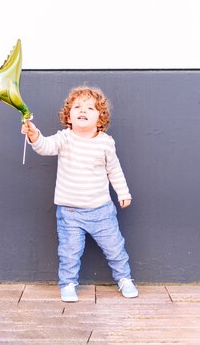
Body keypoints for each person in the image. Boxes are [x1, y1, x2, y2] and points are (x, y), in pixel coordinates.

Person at [21, 86, 138, 302]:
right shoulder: (64, 138)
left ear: (100, 118)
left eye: (90, 108)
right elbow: (45, 147)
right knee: (69, 252)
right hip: (70, 212)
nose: (82, 110)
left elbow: (114, 170)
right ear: (68, 116)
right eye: (77, 107)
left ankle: (124, 279)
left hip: (101, 210)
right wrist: (34, 135)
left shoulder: (105, 142)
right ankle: (68, 284)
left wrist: (123, 192)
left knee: (115, 248)